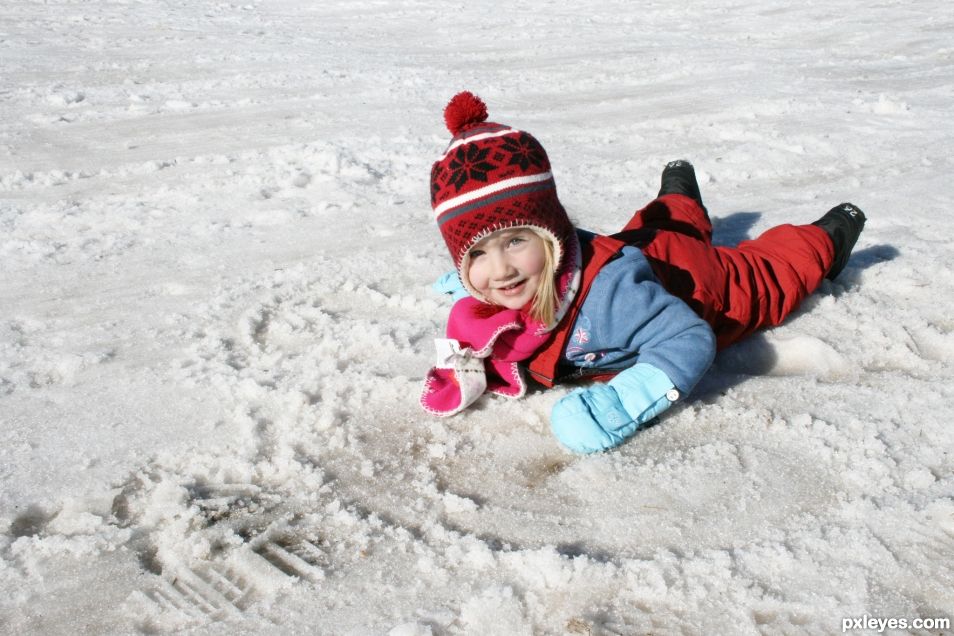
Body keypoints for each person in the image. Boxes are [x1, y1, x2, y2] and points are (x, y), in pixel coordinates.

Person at [420, 91, 866, 454]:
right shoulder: (516, 278)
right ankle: (678, 195)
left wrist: (622, 402)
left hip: (702, 282)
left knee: (768, 275)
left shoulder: (610, 300)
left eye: (516, 241)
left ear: (551, 235)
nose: (499, 270)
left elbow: (687, 340)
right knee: (657, 228)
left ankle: (828, 236)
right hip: (641, 248)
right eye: (476, 254)